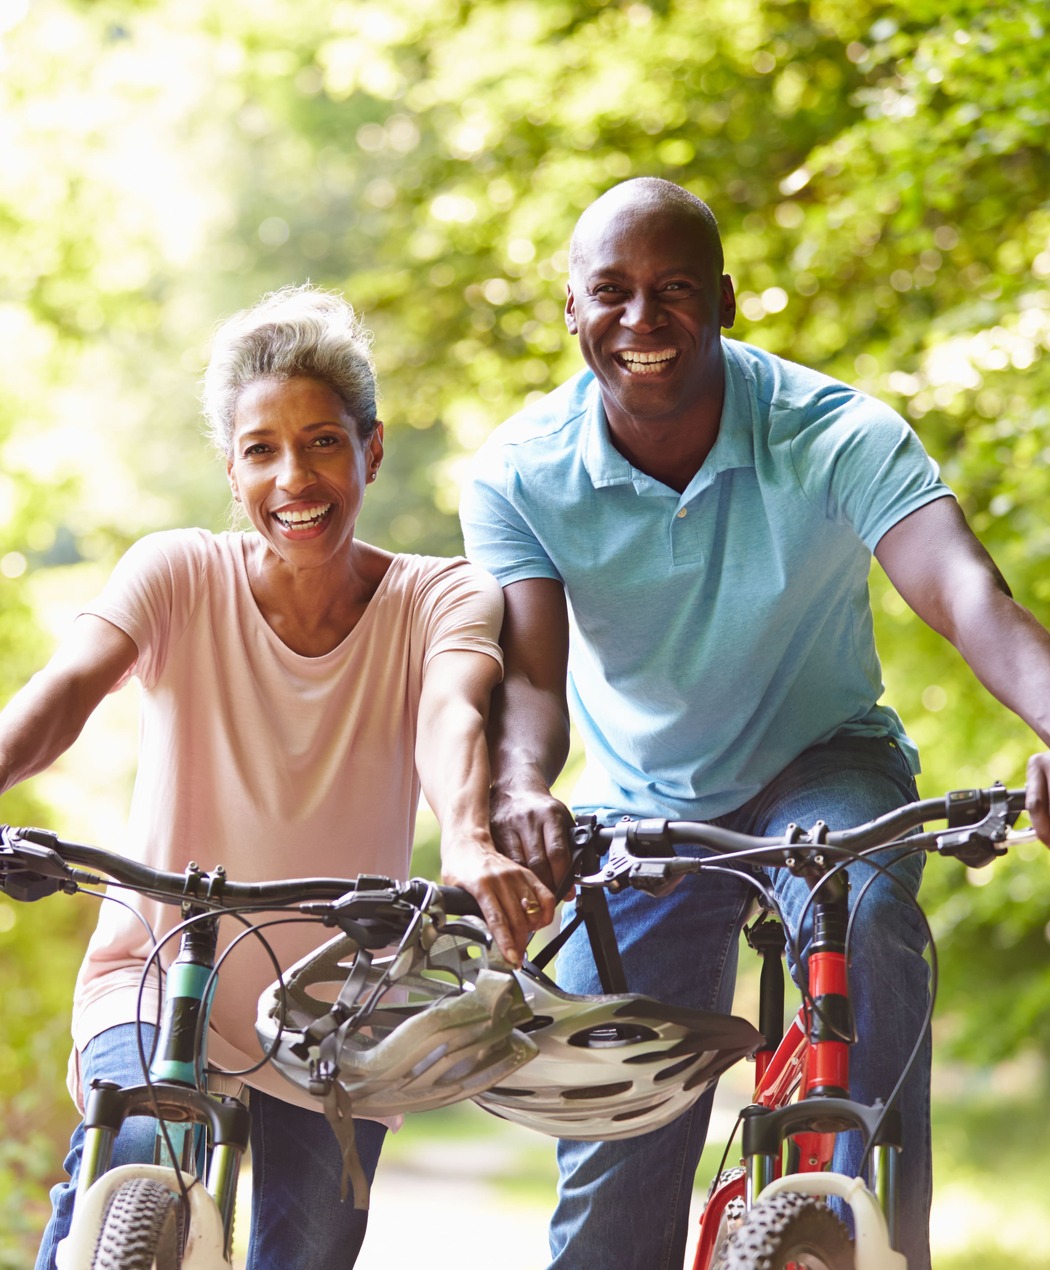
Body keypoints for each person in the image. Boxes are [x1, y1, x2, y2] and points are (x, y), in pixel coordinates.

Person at [460, 177, 1050, 1270]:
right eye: (613, 293)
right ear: (572, 314)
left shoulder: (833, 432)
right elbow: (532, 681)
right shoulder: (518, 474)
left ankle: (863, 1217)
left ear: (726, 301)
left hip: (822, 765)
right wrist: (520, 787)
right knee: (615, 1157)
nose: (643, 320)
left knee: (865, 907)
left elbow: (970, 597)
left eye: (675, 290)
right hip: (642, 801)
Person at [0, 283, 556, 1270]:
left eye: (323, 443)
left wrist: (468, 838)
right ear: (231, 469)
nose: (294, 476)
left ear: (372, 449)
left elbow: (450, 712)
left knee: (306, 1252)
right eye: (262, 450)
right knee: (128, 1159)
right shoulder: (175, 574)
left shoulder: (442, 596)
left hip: (342, 1008)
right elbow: (63, 692)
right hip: (160, 972)